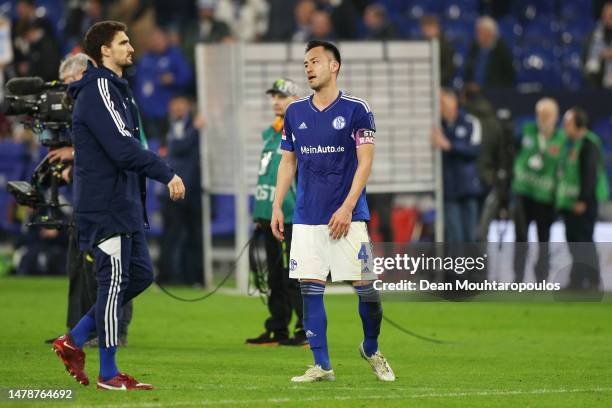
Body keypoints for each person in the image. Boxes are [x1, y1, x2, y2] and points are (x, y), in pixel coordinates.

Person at [51, 21, 185, 391]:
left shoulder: (119, 90)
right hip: (105, 207)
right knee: (111, 286)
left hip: (123, 205)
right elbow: (124, 150)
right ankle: (108, 374)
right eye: (123, 42)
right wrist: (166, 174)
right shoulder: (98, 90)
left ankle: (73, 339)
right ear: (104, 51)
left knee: (141, 275)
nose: (131, 46)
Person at [271, 40, 395, 382]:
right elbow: (288, 161)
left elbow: (365, 162)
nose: (308, 67)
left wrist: (347, 206)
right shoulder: (295, 112)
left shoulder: (357, 109)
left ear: (334, 66)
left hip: (350, 218)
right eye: (305, 62)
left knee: (368, 289)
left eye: (315, 61)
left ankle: (371, 347)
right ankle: (322, 365)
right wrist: (278, 205)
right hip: (308, 217)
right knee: (310, 289)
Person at [246, 78, 305, 346]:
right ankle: (278, 327)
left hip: (294, 216)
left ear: (295, 99)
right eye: (273, 96)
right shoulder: (271, 133)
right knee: (274, 275)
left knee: (296, 274)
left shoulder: (302, 131)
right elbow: (267, 177)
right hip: (270, 216)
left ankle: (305, 329)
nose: (276, 101)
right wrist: (261, 212)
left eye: (282, 96)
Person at [511, 98, 565, 282]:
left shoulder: (562, 139)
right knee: (520, 238)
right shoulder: (526, 131)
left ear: (556, 117)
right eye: (541, 114)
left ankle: (541, 280)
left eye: (548, 115)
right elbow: (512, 153)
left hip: (546, 197)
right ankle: (517, 279)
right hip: (523, 194)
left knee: (543, 240)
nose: (544, 118)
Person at [556, 108, 608, 290]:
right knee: (575, 240)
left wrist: (582, 200)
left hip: (584, 201)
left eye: (567, 123)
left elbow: (589, 174)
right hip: (571, 200)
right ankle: (579, 280)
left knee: (583, 240)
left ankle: (591, 281)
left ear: (578, 125)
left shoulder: (588, 144)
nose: (564, 126)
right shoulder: (571, 143)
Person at [158, 95, 204, 285]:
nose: (178, 108)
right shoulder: (175, 126)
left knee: (193, 234)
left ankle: (191, 277)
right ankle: (166, 276)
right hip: (175, 190)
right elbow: (178, 147)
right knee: (172, 234)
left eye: (181, 104)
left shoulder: (180, 125)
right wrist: (195, 130)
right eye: (175, 104)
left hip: (193, 189)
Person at [432, 89, 483, 243]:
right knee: (456, 239)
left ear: (454, 104)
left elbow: (475, 149)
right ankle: (457, 267)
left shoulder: (470, 122)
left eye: (445, 104)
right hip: (449, 191)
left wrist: (450, 146)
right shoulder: (438, 126)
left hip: (468, 188)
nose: (443, 108)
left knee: (471, 237)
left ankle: (472, 267)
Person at [464, 16, 515, 89]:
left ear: (490, 33)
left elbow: (509, 74)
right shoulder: (474, 48)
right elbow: (468, 70)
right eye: (478, 32)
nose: (478, 35)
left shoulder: (501, 49)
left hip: (494, 92)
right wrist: (469, 84)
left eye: (481, 32)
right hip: (474, 91)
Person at [585, 2, 612, 89]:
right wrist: (601, 56)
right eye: (605, 15)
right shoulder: (594, 35)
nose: (608, 19)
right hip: (598, 84)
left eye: (611, 16)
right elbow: (586, 59)